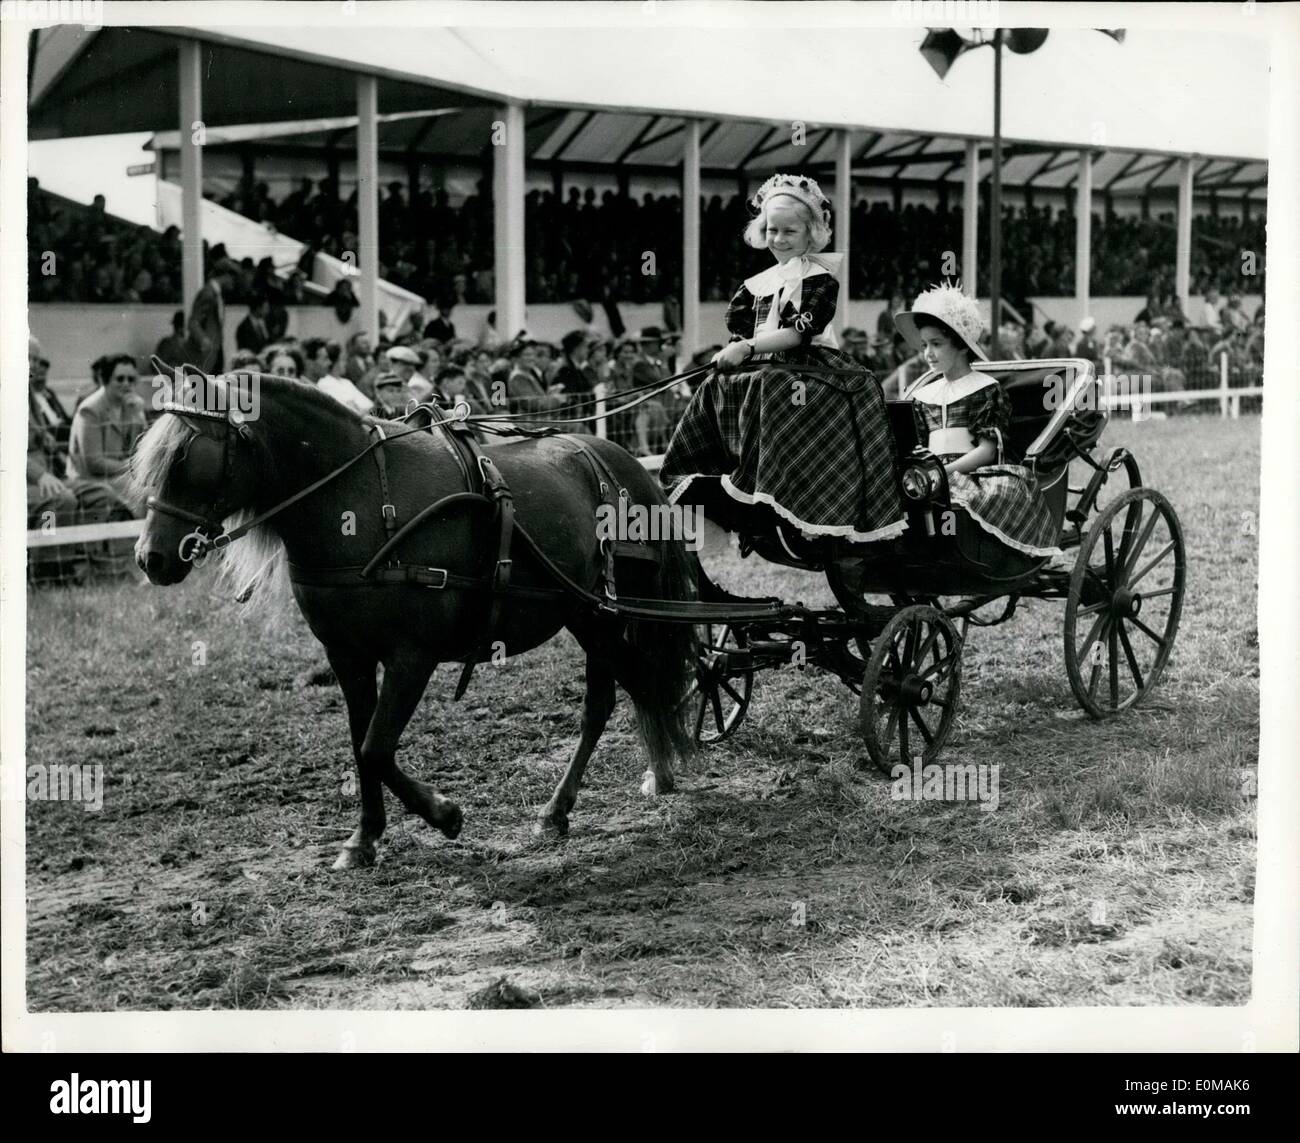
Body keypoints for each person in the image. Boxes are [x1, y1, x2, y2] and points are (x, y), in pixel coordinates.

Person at [660, 173, 904, 546]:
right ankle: (703, 476)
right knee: (716, 384)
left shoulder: (820, 280)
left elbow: (798, 333)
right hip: (766, 364)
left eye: (789, 232)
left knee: (771, 385)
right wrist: (738, 348)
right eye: (772, 230)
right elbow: (743, 331)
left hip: (812, 367)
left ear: (811, 234)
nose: (779, 239)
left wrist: (748, 348)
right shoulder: (756, 284)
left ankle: (770, 485)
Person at [894, 284, 1059, 558]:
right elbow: (917, 447)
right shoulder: (923, 396)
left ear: (960, 345)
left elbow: (987, 451)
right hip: (928, 475)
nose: (928, 354)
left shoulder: (985, 390)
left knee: (978, 495)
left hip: (972, 473)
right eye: (924, 346)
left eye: (937, 344)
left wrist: (943, 473)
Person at [66, 353, 148, 501]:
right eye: (120, 379)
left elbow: (137, 448)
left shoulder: (129, 405)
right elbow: (94, 463)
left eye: (131, 379)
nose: (126, 384)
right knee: (142, 490)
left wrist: (138, 416)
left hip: (117, 475)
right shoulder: (90, 409)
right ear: (105, 380)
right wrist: (131, 467)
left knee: (149, 486)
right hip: (89, 481)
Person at [304, 337, 372, 415]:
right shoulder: (323, 384)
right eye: (325, 359)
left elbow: (369, 406)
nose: (329, 363)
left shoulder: (346, 382)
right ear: (310, 363)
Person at [188, 262, 234, 373]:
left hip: (215, 347)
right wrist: (204, 340)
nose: (232, 282)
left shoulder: (215, 293)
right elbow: (193, 322)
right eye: (232, 278)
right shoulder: (208, 293)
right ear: (226, 276)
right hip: (209, 349)